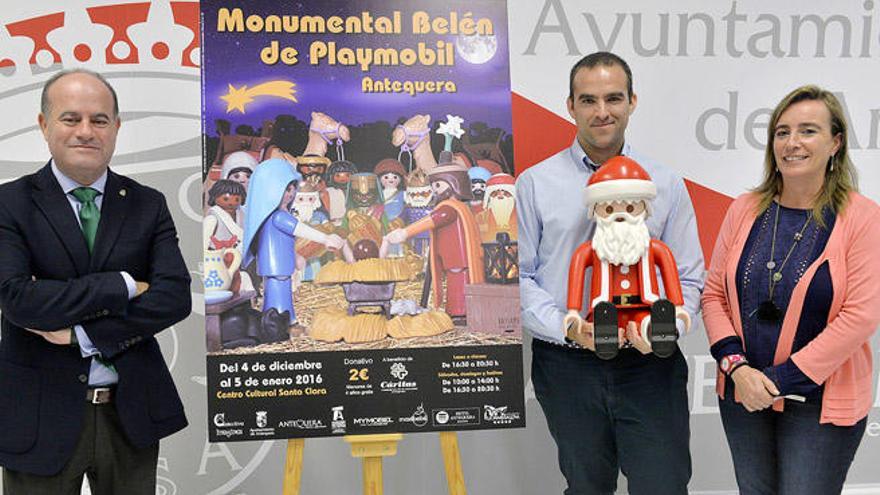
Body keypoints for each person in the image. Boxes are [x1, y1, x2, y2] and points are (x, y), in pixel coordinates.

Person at [516, 52, 704, 494]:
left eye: (614, 98)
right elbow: (519, 279)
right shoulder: (535, 184)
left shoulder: (665, 184)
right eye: (589, 100)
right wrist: (566, 327)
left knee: (664, 484)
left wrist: (672, 323)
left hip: (648, 364)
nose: (602, 111)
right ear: (570, 105)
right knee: (586, 487)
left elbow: (690, 277)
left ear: (632, 101)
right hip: (567, 365)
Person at [0, 69, 192, 494]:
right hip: (38, 419)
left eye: (99, 120)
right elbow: (17, 299)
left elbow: (174, 297)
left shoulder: (147, 204)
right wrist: (123, 285)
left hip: (129, 416)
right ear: (44, 125)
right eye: (71, 119)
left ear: (116, 128)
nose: (86, 131)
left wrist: (81, 334)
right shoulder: (9, 203)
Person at [702, 85, 880, 495]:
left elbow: (860, 317)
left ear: (836, 143)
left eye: (808, 131)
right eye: (782, 132)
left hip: (819, 407)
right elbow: (714, 296)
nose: (792, 142)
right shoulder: (744, 209)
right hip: (743, 395)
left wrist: (779, 380)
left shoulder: (862, 218)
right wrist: (739, 371)